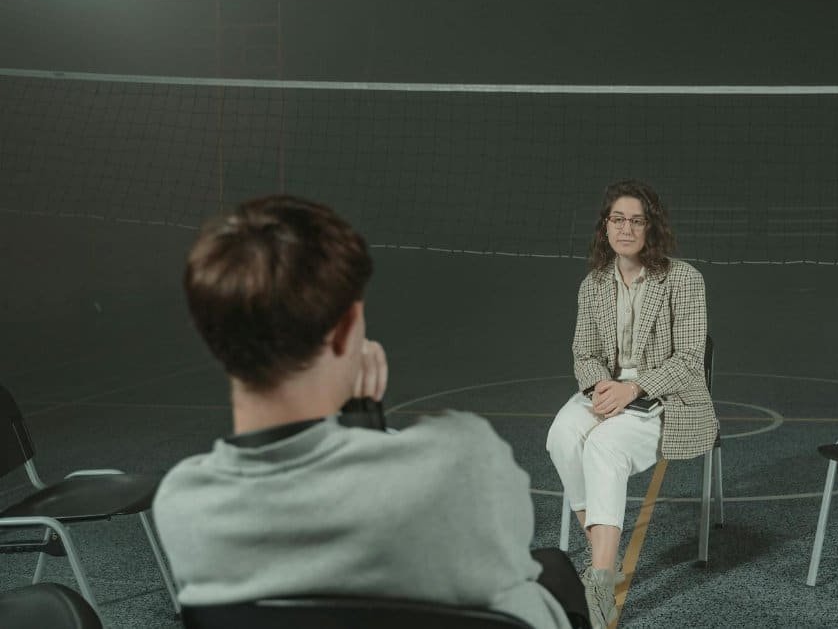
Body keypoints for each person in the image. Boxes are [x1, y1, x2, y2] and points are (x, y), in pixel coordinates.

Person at [153, 195, 583, 629]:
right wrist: (362, 418)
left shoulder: (183, 504)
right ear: (344, 331)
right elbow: (507, 563)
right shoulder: (462, 459)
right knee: (554, 574)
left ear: (211, 335)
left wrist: (356, 420)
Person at [546, 181, 719, 629]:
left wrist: (634, 388)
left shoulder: (683, 279)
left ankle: (599, 577)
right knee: (561, 436)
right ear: (606, 227)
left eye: (636, 220)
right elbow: (583, 352)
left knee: (603, 448)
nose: (626, 228)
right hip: (607, 389)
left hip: (665, 397)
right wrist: (600, 385)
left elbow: (689, 363)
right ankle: (602, 547)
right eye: (617, 219)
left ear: (651, 227)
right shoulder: (594, 284)